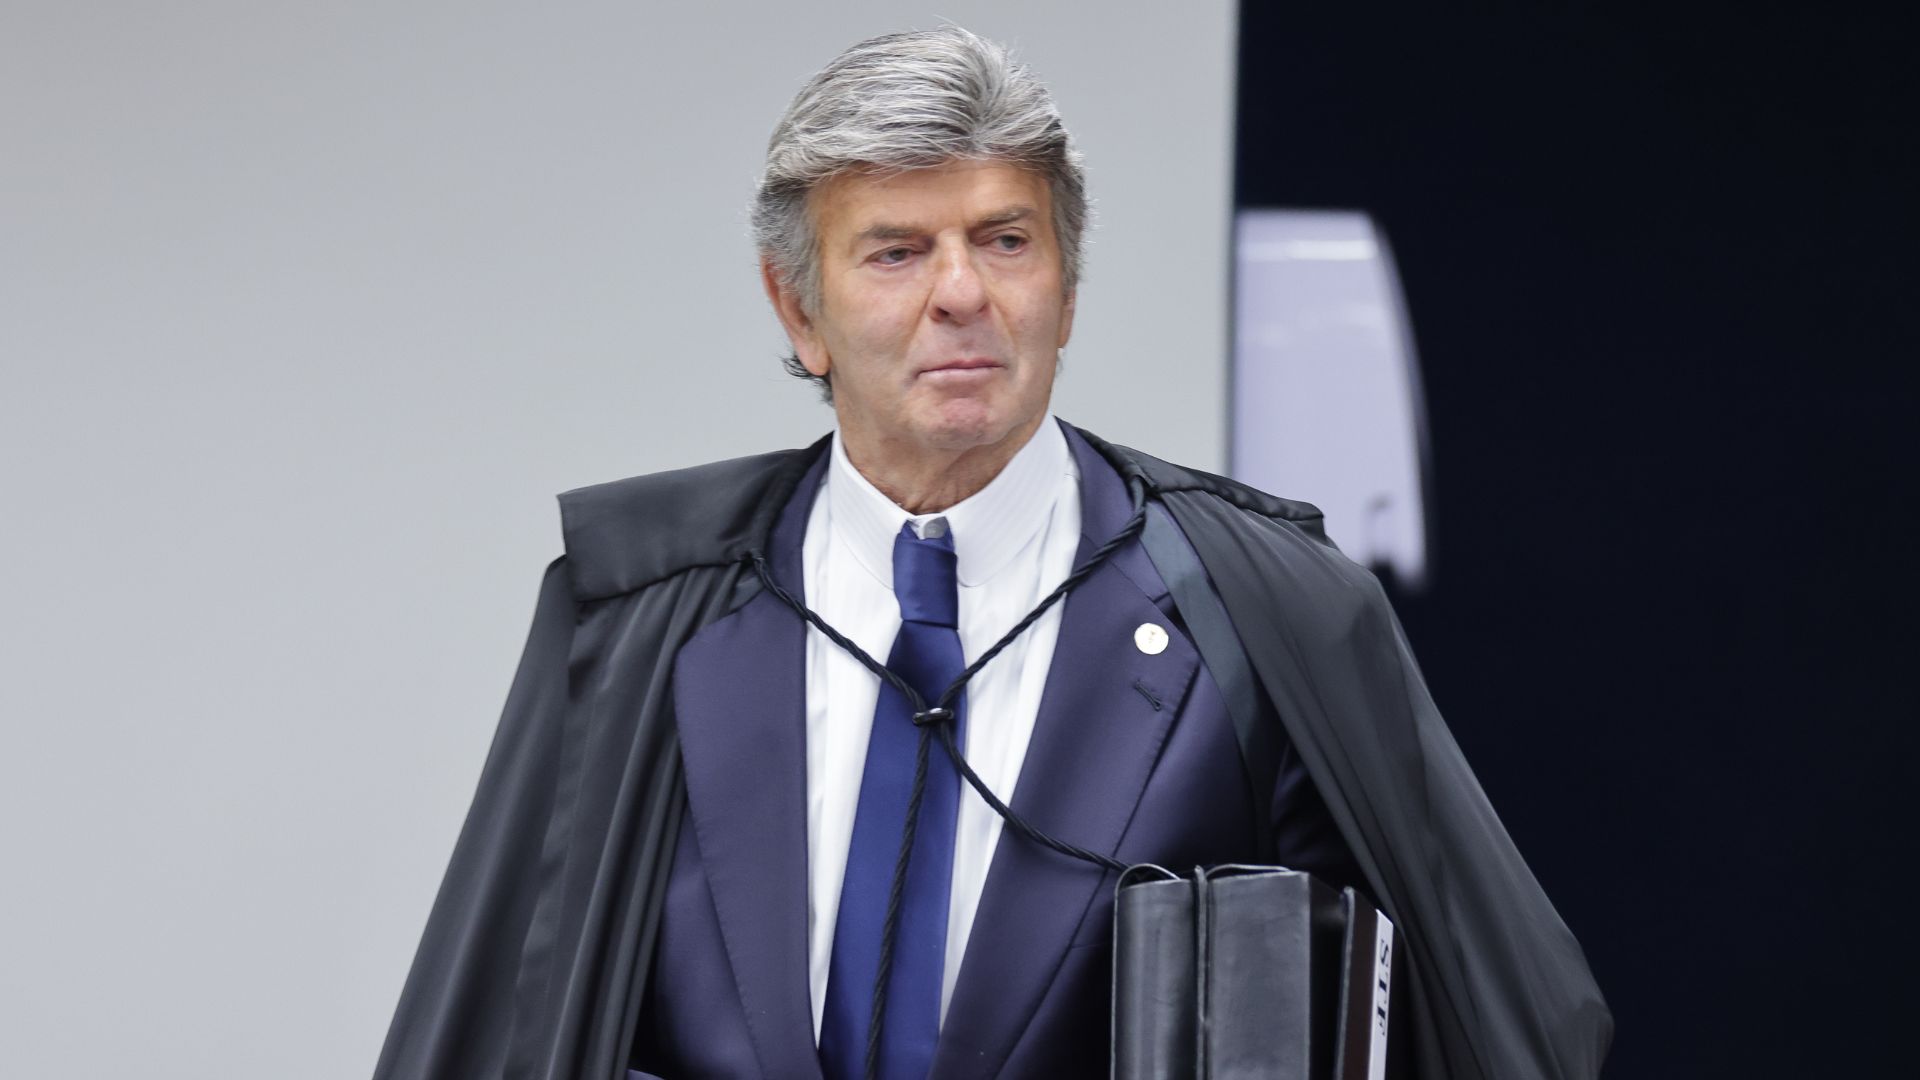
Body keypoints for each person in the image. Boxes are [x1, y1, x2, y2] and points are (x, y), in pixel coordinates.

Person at [374, 27, 1610, 1080]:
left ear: (1067, 291)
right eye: (897, 250)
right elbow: (508, 1031)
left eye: (1006, 240)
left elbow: (1501, 1028)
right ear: (799, 310)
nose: (962, 292)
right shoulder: (644, 611)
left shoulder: (1263, 605)